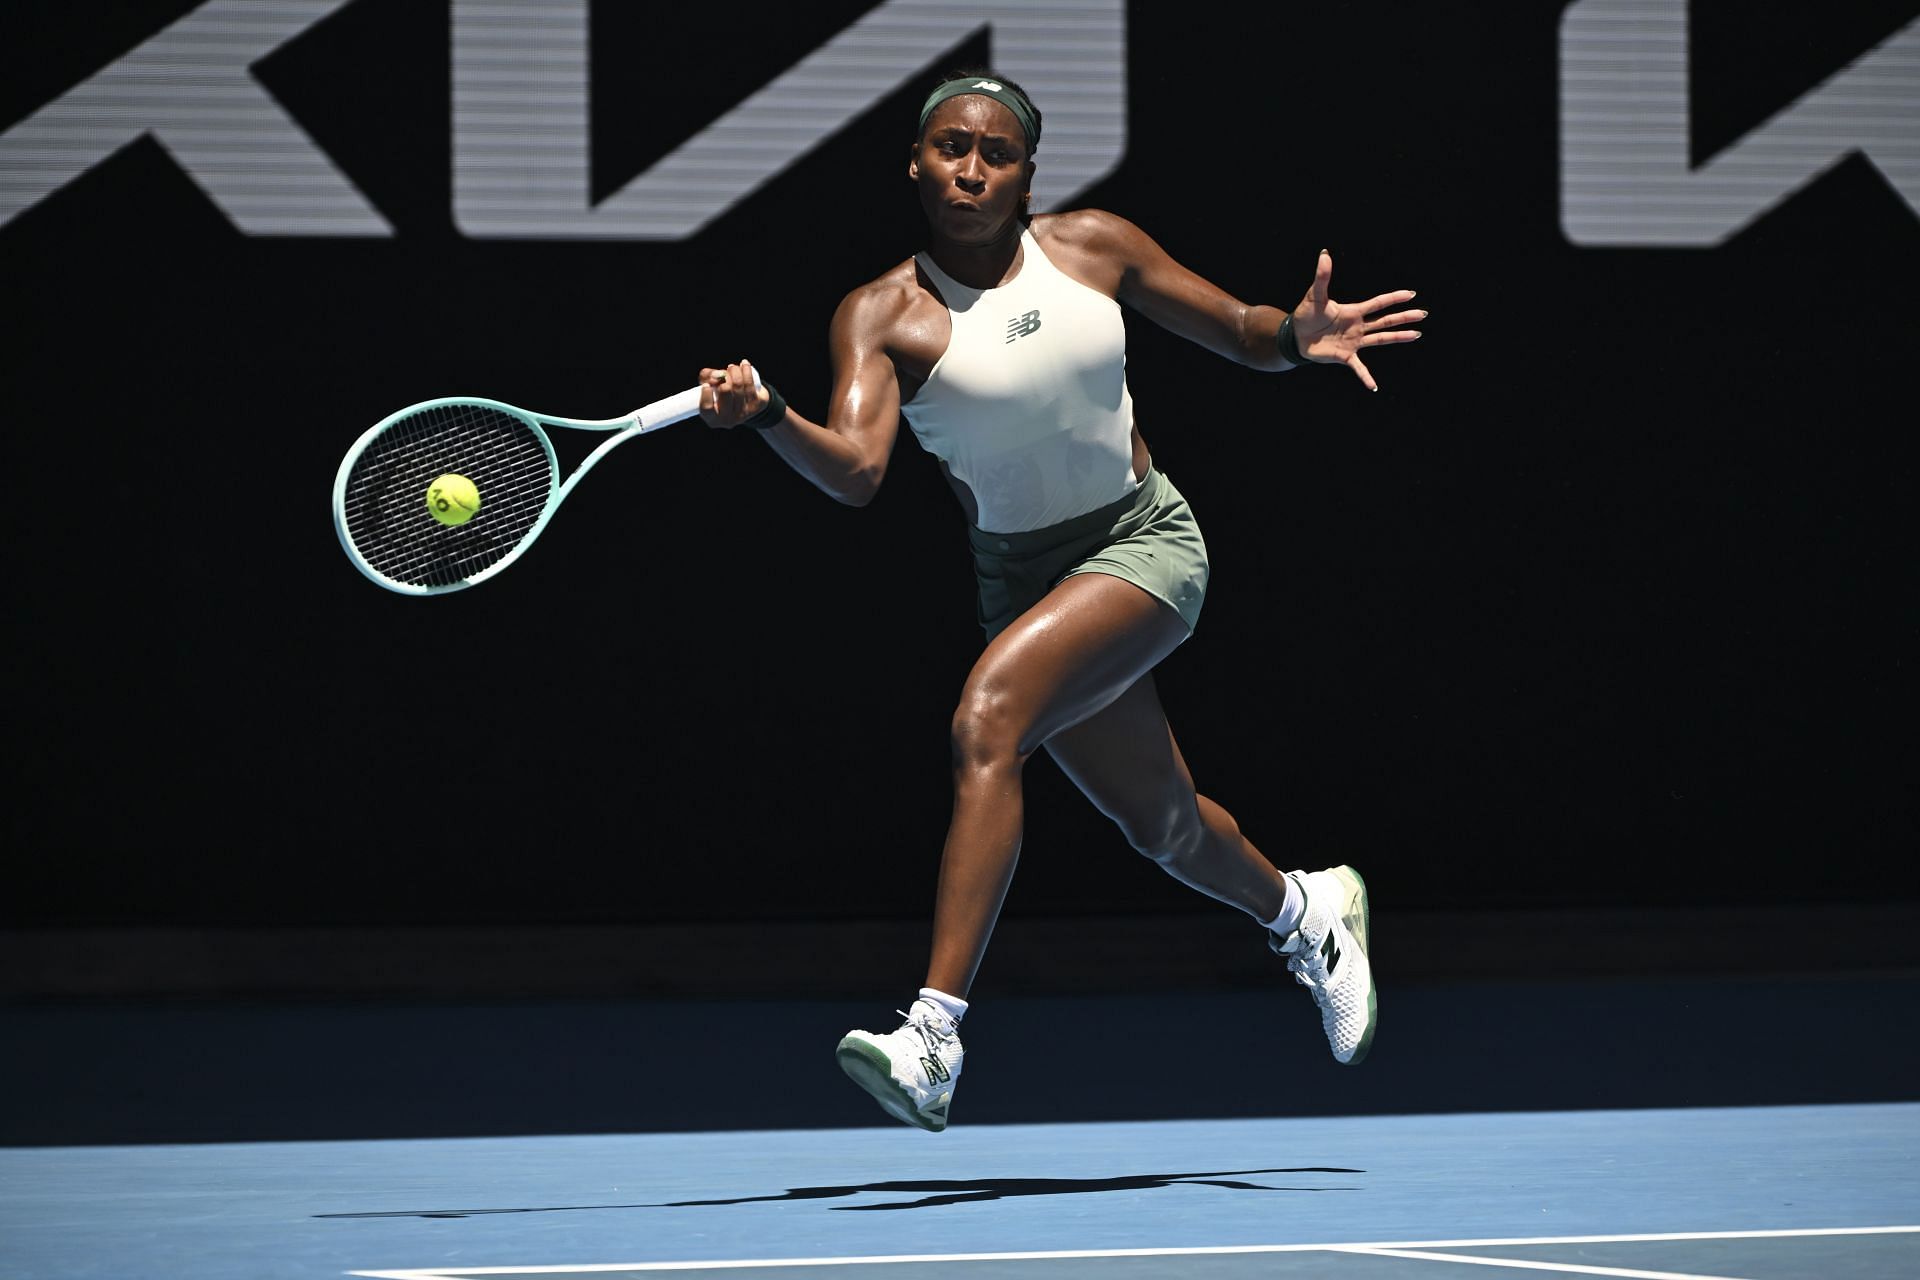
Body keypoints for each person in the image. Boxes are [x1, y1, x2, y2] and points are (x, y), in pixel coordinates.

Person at [698, 69, 1425, 1132]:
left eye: (996, 152)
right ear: (915, 160)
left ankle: (933, 1034)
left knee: (986, 721)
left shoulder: (1092, 247)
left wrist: (1289, 338)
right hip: (1025, 581)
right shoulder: (879, 315)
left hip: (1146, 543)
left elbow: (1231, 324)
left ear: (1028, 175)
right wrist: (768, 415)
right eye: (952, 146)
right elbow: (856, 470)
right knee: (1165, 824)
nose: (972, 168)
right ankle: (1306, 909)